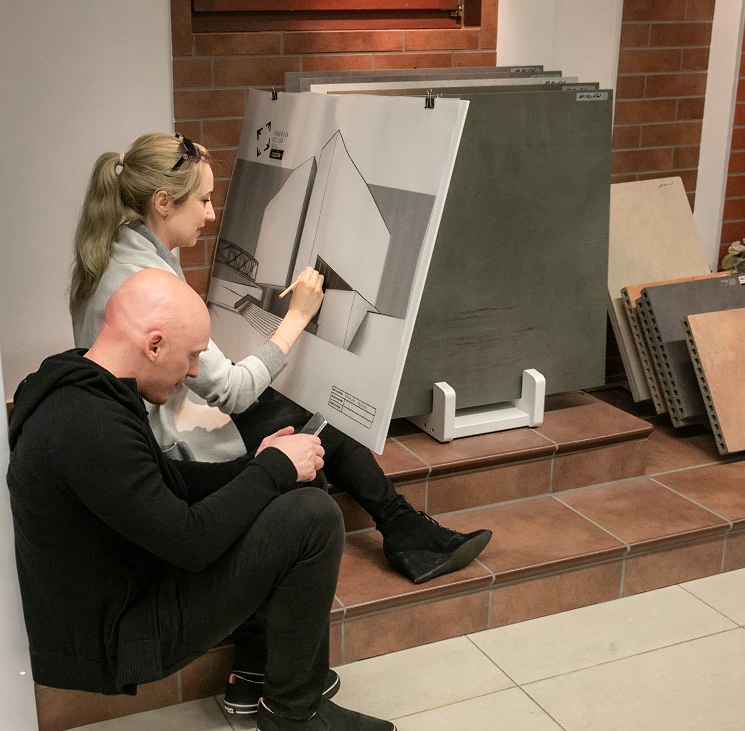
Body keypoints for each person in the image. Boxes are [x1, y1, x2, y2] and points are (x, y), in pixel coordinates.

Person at [69, 132, 492, 588]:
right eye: (204, 200)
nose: (211, 214)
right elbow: (233, 393)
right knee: (311, 415)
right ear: (163, 202)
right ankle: (402, 529)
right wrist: (297, 317)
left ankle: (402, 527)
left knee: (297, 410)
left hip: (154, 421)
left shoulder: (119, 245)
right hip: (167, 444)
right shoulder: (145, 275)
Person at [7, 269, 398, 731]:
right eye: (191, 355)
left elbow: (164, 484)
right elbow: (190, 543)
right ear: (154, 345)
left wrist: (256, 466)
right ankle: (295, 713)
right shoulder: (87, 427)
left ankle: (258, 673)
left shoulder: (84, 386)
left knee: (294, 488)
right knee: (312, 515)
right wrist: (272, 471)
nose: (194, 372)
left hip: (134, 588)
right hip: (121, 637)